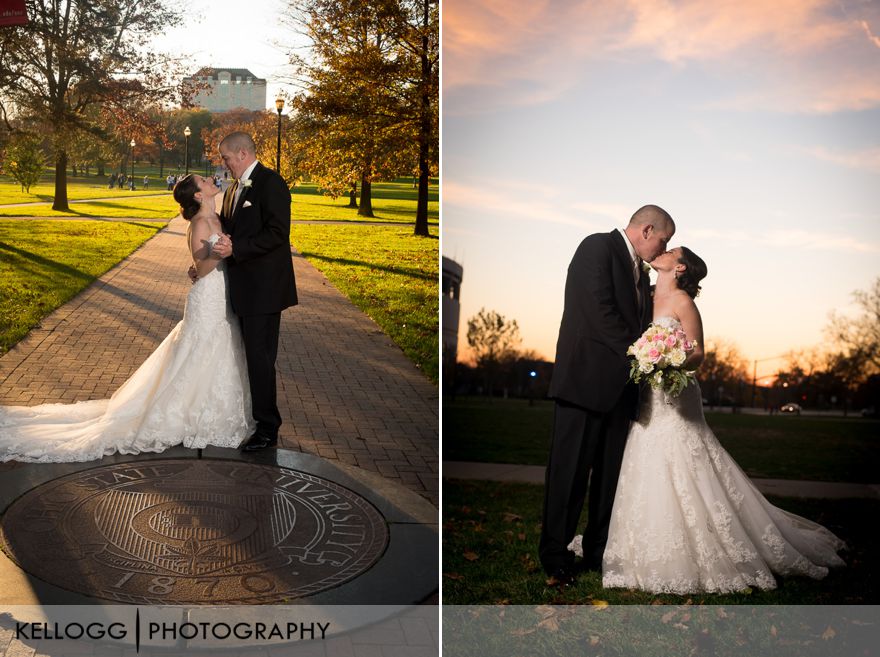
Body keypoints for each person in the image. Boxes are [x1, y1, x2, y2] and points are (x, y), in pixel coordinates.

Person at [570, 246, 846, 593]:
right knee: (644, 454)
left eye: (671, 250)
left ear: (679, 266)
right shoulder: (646, 294)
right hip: (646, 394)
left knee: (686, 456)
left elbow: (698, 352)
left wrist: (670, 360)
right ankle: (635, 543)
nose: (663, 251)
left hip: (676, 392)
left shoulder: (684, 303)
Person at [0, 175, 253, 462]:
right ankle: (186, 415)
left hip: (220, 296)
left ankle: (211, 409)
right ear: (197, 195)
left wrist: (220, 250)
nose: (211, 180)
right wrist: (222, 252)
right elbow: (203, 266)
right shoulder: (199, 224)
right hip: (207, 296)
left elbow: (199, 262)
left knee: (215, 350)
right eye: (204, 181)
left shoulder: (216, 218)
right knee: (200, 350)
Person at [539, 205, 675, 586]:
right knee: (569, 476)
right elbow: (598, 312)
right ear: (647, 230)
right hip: (583, 384)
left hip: (622, 391)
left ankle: (598, 549)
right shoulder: (597, 248)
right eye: (664, 239)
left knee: (610, 480)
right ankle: (554, 554)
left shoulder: (641, 274)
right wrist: (644, 352)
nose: (664, 247)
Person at [210, 132, 297, 452]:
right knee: (250, 357)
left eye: (226, 158)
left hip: (264, 289)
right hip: (243, 287)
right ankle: (255, 418)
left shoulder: (271, 183)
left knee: (260, 359)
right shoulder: (234, 188)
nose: (224, 163)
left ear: (243, 153)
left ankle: (267, 429)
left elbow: (277, 233)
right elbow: (230, 230)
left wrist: (237, 248)